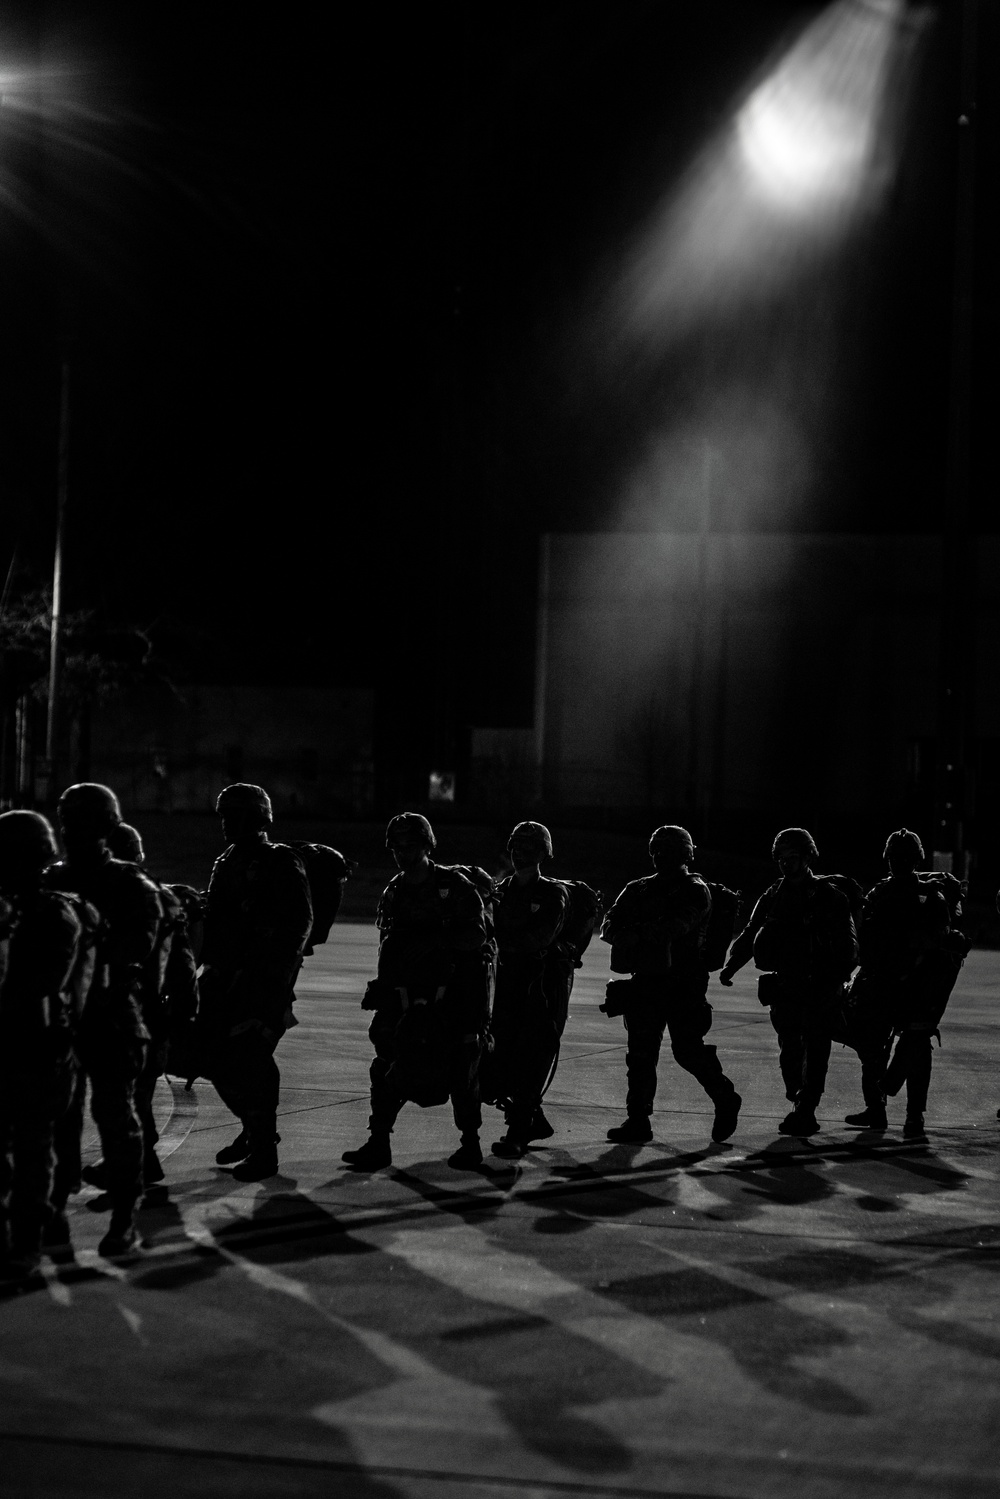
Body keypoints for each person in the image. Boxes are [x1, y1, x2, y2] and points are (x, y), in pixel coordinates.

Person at [47, 783, 163, 1256]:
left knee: (115, 1117)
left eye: (84, 823)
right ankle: (53, 1211)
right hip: (61, 1017)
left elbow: (142, 953)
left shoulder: (132, 885)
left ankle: (123, 1217)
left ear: (106, 829)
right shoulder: (49, 879)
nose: (73, 831)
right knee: (57, 1121)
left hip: (111, 1013)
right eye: (69, 821)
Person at [342, 813, 490, 1171]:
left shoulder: (453, 887)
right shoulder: (394, 890)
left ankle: (470, 1143)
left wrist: (436, 942)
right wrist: (383, 990)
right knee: (387, 1063)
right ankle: (379, 1142)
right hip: (405, 995)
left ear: (427, 846)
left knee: (460, 1068)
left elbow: (477, 936)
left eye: (411, 846)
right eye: (397, 847)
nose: (403, 854)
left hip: (451, 995)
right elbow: (387, 944)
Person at [199, 784, 313, 1182]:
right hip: (225, 978)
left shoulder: (280, 860)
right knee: (210, 1057)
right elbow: (215, 918)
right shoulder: (226, 862)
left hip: (264, 980)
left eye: (236, 816)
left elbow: (300, 921)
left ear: (259, 818)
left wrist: (274, 978)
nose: (227, 824)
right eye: (224, 816)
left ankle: (264, 1151)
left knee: (253, 1058)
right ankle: (253, 1129)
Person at [0, 812, 96, 1283]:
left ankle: (25, 1245)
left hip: (38, 1048)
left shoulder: (53, 912)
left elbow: (45, 981)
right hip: (17, 1045)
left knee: (34, 1153)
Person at [601, 825, 741, 1145]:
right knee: (640, 1054)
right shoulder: (637, 888)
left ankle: (725, 1097)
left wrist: (634, 933)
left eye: (669, 850)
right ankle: (638, 1119)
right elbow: (610, 922)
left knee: (687, 1051)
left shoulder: (695, 888)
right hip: (647, 981)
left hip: (683, 983)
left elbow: (677, 926)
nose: (661, 856)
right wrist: (626, 933)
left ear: (685, 855)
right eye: (657, 850)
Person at [720, 827, 857, 1136]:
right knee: (790, 1048)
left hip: (820, 985)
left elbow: (848, 946)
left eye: (792, 857)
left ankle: (806, 1108)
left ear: (808, 857)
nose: (785, 864)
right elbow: (752, 930)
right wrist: (731, 967)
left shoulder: (830, 896)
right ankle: (798, 1097)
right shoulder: (775, 894)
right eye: (780, 858)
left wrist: (834, 982)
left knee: (816, 1047)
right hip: (787, 985)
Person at [845, 829, 967, 1138]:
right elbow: (864, 939)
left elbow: (939, 938)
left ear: (914, 860)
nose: (897, 863)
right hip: (887, 983)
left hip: (913, 984)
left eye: (903, 858)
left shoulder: (928, 896)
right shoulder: (880, 894)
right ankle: (879, 1111)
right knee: (875, 1049)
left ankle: (912, 1116)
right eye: (893, 858)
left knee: (914, 1049)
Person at [104, 823, 200, 1187]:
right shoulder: (162, 898)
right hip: (153, 1013)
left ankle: (132, 1165)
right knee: (135, 1094)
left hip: (130, 1012)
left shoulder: (114, 900)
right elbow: (185, 964)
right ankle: (144, 1161)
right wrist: (186, 1013)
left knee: (126, 1095)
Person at [489, 821, 571, 1159]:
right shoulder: (500, 889)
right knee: (498, 1060)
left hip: (542, 987)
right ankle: (531, 1119)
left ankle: (519, 1131)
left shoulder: (554, 892)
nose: (520, 853)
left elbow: (539, 938)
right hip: (506, 984)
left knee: (532, 1056)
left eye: (529, 847)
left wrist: (497, 942)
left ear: (543, 854)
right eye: (516, 846)